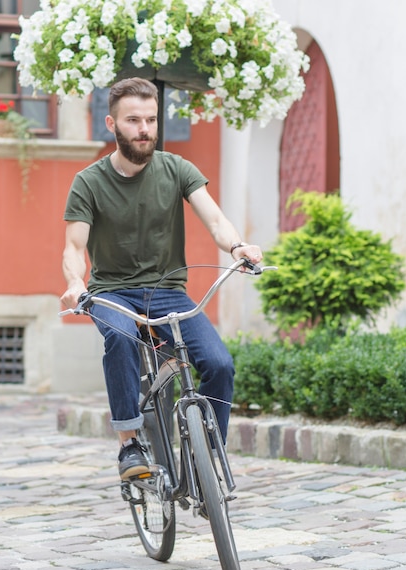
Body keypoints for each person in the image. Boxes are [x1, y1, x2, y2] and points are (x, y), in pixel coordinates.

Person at [60, 77, 262, 481]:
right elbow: (73, 248)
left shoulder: (177, 169)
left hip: (168, 293)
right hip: (111, 293)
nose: (144, 129)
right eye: (133, 120)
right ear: (111, 124)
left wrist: (237, 246)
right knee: (119, 338)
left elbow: (215, 219)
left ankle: (211, 456)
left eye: (150, 120)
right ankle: (129, 443)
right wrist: (75, 285)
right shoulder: (89, 182)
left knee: (219, 363)